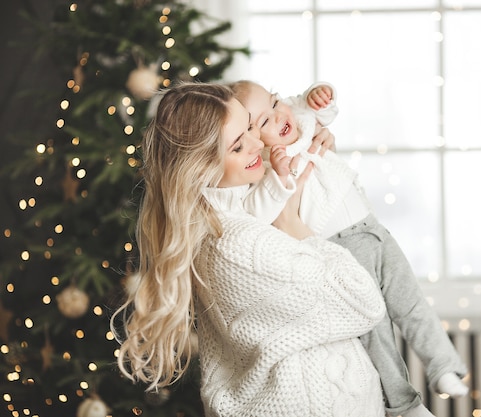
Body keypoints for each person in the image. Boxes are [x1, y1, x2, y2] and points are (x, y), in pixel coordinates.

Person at [111, 82, 390, 417]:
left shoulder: (240, 203)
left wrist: (310, 144)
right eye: (240, 144)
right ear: (202, 167)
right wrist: (291, 223)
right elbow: (364, 300)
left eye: (250, 126)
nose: (259, 142)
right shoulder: (237, 246)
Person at [229, 80, 469, 417]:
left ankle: (443, 365)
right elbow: (264, 210)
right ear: (252, 137)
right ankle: (404, 406)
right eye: (264, 121)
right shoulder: (267, 166)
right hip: (340, 249)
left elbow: (319, 107)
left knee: (411, 301)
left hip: (372, 228)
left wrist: (320, 93)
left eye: (275, 102)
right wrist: (280, 176)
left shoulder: (301, 122)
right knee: (377, 331)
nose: (278, 115)